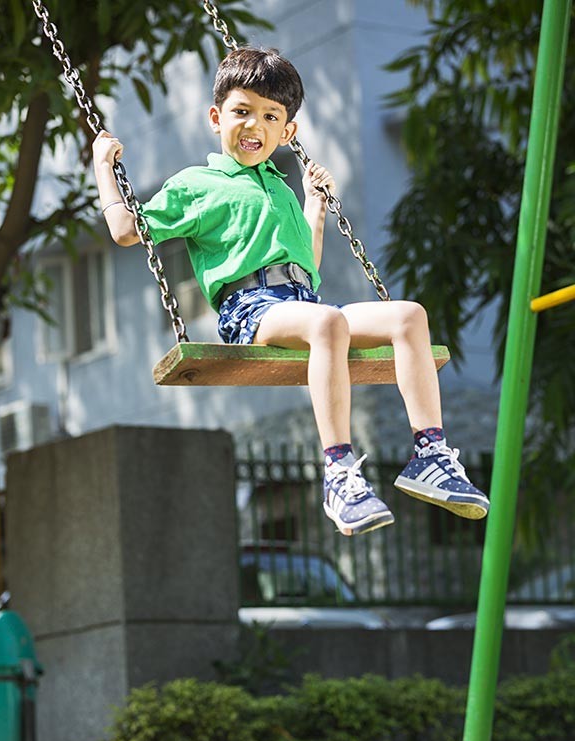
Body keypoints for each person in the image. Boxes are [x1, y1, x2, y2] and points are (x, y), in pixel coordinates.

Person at [92, 46, 489, 537]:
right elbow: (127, 230)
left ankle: (429, 455)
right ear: (216, 117)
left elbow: (307, 268)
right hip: (250, 311)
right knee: (328, 322)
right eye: (242, 111)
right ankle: (340, 474)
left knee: (408, 315)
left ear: (288, 132)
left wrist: (315, 206)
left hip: (302, 304)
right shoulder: (200, 183)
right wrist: (103, 170)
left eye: (269, 116)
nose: (254, 125)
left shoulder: (280, 187)